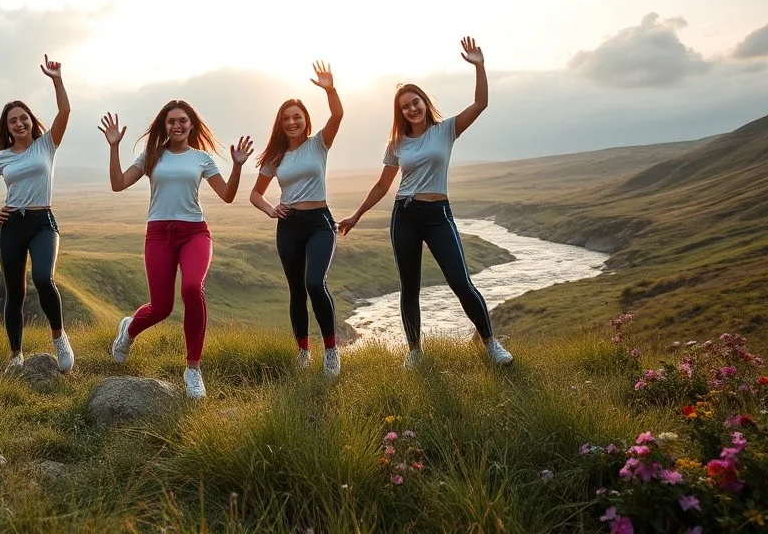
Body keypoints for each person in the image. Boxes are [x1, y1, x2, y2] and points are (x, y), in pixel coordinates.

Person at [338, 38, 513, 368]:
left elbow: (481, 103)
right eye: (405, 106)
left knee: (461, 282)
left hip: (437, 214)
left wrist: (479, 65)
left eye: (415, 102)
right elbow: (383, 184)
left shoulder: (446, 130)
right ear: (400, 112)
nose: (411, 108)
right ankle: (415, 351)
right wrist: (357, 215)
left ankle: (491, 344)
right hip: (404, 214)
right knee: (410, 287)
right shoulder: (396, 143)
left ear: (424, 102)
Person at [99, 101, 254, 399]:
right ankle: (129, 330)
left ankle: (193, 369)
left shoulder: (202, 158)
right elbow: (118, 184)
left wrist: (236, 165)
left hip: (195, 232)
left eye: (183, 121)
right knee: (162, 308)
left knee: (193, 288)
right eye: (171, 121)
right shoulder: (152, 156)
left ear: (192, 125)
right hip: (158, 234)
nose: (177, 126)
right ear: (164, 125)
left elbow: (228, 195)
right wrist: (114, 146)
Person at [0, 56, 74, 372]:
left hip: (42, 222)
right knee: (14, 293)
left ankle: (59, 338)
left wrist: (57, 79)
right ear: (7, 128)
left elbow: (65, 112)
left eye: (23, 118)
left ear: (31, 120)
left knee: (44, 278)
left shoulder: (47, 145)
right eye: (12, 121)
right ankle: (16, 356)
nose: (19, 123)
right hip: (12, 226)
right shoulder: (0, 158)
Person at [249, 61, 344, 377]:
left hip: (319, 223)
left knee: (315, 283)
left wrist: (330, 89)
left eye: (297, 117)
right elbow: (256, 194)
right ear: (281, 123)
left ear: (305, 120)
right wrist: (270, 209)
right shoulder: (276, 157)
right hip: (288, 226)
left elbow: (338, 115)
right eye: (286, 118)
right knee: (296, 291)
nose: (292, 122)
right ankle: (303, 352)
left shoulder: (319, 143)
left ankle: (331, 353)